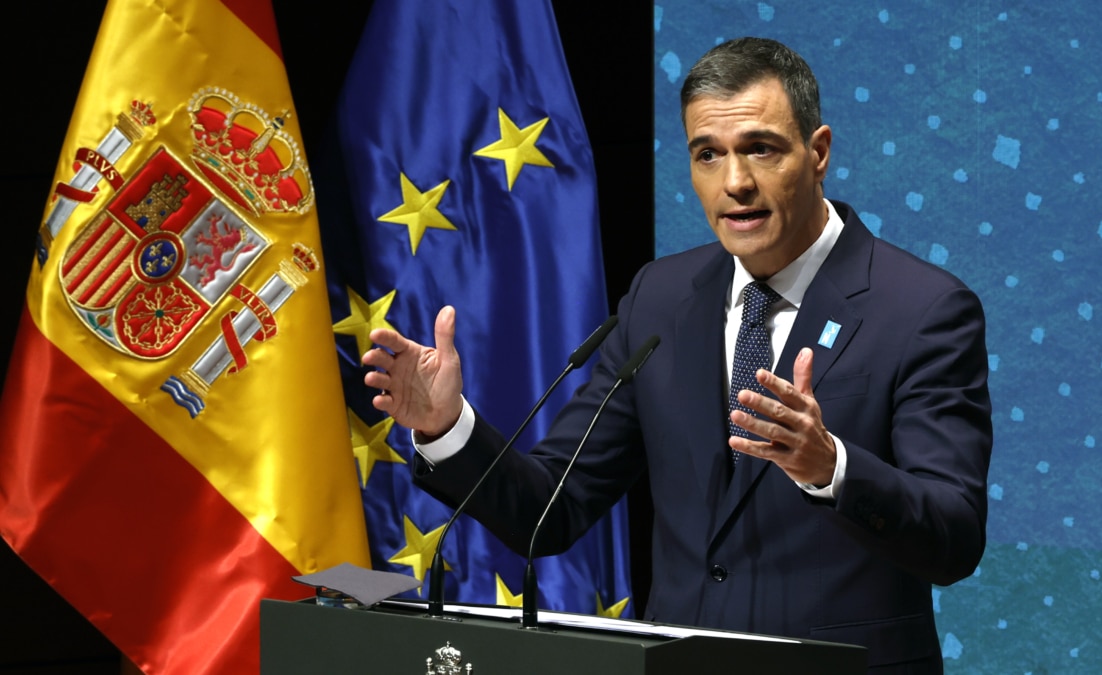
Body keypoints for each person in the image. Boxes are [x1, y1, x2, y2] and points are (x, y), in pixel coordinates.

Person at [363, 36, 992, 673]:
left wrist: (831, 467)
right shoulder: (659, 299)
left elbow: (954, 539)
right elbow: (552, 510)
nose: (735, 182)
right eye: (708, 155)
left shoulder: (922, 310)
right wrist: (447, 428)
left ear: (818, 152)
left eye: (761, 149)